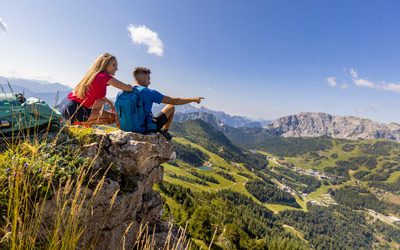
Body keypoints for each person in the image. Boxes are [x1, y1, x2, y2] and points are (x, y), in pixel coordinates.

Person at [60, 53, 133, 126]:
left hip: (66, 105)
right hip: (73, 110)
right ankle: (78, 123)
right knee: (114, 117)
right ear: (105, 64)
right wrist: (129, 84)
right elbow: (128, 88)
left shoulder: (94, 75)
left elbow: (99, 95)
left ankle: (82, 121)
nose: (116, 68)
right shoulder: (104, 77)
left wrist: (110, 103)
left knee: (101, 102)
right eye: (114, 65)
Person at [133, 67, 204, 140]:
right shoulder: (148, 92)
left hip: (128, 127)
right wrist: (193, 99)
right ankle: (164, 132)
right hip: (144, 128)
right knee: (171, 107)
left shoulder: (123, 93)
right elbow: (174, 101)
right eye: (148, 79)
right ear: (141, 78)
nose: (149, 82)